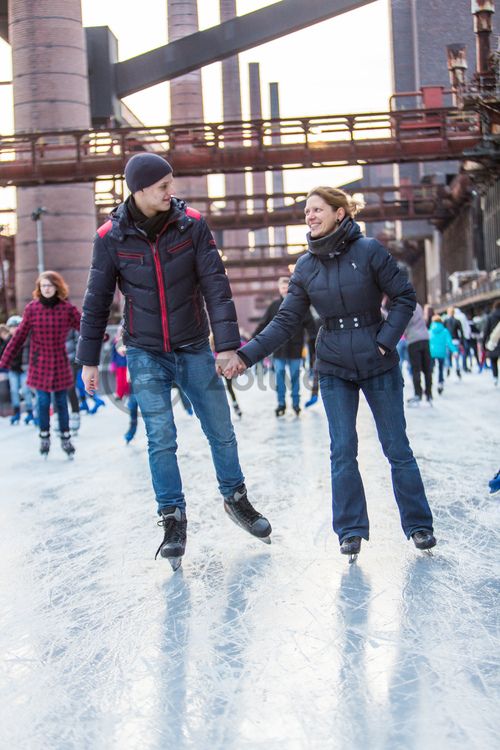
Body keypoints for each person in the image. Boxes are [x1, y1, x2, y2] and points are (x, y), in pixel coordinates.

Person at [76, 152, 271, 569]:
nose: (171, 191)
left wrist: (226, 345)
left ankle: (236, 498)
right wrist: (88, 359)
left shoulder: (193, 225)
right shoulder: (111, 236)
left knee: (220, 427)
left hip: (193, 345)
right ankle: (172, 517)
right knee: (160, 437)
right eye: (163, 186)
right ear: (140, 190)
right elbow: (95, 300)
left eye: (171, 183)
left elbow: (216, 286)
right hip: (145, 350)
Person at [223, 186, 436, 558]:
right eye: (307, 211)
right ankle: (350, 530)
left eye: (317, 209)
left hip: (377, 361)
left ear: (340, 213)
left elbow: (404, 297)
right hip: (334, 365)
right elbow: (285, 320)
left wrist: (385, 341)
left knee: (396, 447)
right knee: (342, 449)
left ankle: (419, 526)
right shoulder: (305, 266)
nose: (309, 216)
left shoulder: (368, 251)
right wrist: (246, 356)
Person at [0, 271, 80, 457]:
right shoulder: (32, 309)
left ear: (57, 287)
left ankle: (66, 437)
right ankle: (44, 436)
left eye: (50, 286)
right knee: (43, 402)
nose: (47, 289)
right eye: (43, 286)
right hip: (40, 364)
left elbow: (83, 326)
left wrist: (101, 336)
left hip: (60, 362)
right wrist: (4, 359)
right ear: (39, 288)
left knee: (61, 403)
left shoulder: (66, 309)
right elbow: (19, 336)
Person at [253, 276, 316, 416]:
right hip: (278, 350)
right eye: (282, 287)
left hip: (295, 349)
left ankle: (295, 404)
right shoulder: (274, 306)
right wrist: (252, 340)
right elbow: (263, 324)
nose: (285, 290)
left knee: (294, 377)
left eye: (287, 287)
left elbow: (311, 325)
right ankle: (281, 404)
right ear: (279, 289)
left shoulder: (300, 305)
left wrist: (316, 341)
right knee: (280, 377)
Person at [3, 314, 36, 425]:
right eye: (12, 327)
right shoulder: (8, 340)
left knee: (26, 391)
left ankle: (30, 412)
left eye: (16, 326)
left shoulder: (25, 339)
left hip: (24, 369)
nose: (14, 329)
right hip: (13, 370)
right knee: (14, 390)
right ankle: (16, 413)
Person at [404, 302, 433, 406]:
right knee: (427, 369)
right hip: (425, 338)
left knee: (416, 370)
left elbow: (404, 323)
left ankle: (418, 394)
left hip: (413, 340)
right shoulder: (418, 305)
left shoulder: (404, 305)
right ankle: (429, 395)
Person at [429, 315, 457, 394]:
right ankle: (440, 383)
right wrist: (454, 351)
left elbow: (427, 342)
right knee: (440, 369)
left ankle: (429, 383)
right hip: (441, 353)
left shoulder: (430, 331)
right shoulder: (445, 331)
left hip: (432, 353)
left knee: (430, 369)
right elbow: (449, 342)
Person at [482, 300, 500, 387]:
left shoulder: (490, 317)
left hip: (494, 342)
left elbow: (486, 331)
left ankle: (495, 377)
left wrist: (483, 344)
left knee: (493, 361)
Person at [444, 307, 464, 379]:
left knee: (448, 357)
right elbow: (461, 332)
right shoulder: (457, 321)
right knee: (456, 357)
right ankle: (458, 369)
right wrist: (462, 342)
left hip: (448, 342)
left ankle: (448, 369)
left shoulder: (446, 321)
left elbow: (444, 332)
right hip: (456, 341)